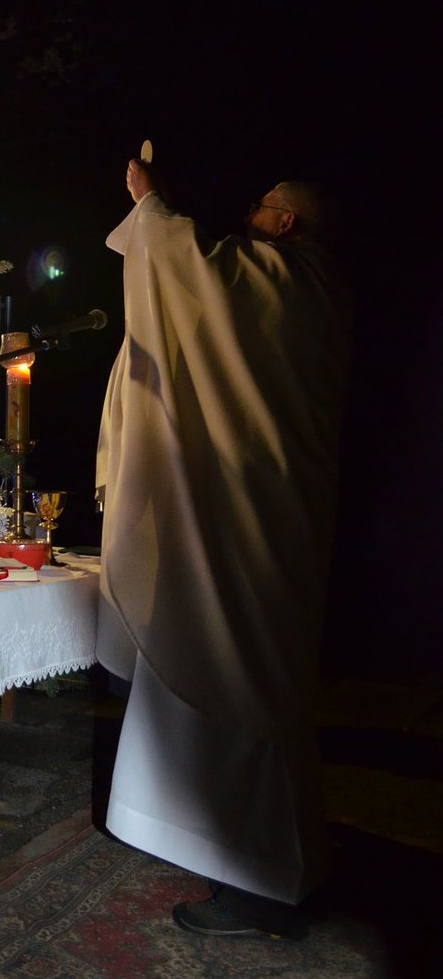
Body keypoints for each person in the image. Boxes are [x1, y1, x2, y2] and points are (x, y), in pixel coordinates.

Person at [95, 160, 350, 939]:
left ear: (288, 222)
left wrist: (151, 204)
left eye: (265, 205)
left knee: (252, 684)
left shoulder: (286, 284)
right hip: (270, 513)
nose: (251, 212)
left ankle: (265, 885)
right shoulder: (310, 289)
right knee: (262, 684)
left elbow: (190, 267)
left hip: (257, 515)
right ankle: (263, 861)